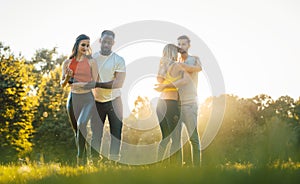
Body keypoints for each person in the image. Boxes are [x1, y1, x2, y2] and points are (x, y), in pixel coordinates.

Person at [157, 35, 202, 167]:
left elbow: (192, 73)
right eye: (179, 44)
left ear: (189, 45)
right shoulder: (174, 64)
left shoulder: (193, 60)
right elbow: (161, 78)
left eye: (184, 44)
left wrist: (165, 86)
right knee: (175, 139)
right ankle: (175, 169)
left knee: (193, 138)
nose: (181, 47)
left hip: (189, 104)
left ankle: (197, 169)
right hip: (175, 104)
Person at [85, 30, 126, 163]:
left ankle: (113, 162)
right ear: (100, 41)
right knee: (96, 134)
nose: (107, 44)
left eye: (110, 42)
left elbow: (118, 83)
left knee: (116, 133)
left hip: (115, 101)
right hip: (97, 101)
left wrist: (96, 84)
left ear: (113, 43)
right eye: (105, 41)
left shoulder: (118, 60)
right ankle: (96, 162)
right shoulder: (92, 59)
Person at [60, 34, 98, 166]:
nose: (85, 47)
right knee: (77, 131)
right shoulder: (67, 63)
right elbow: (62, 84)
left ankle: (80, 160)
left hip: (87, 98)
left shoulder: (92, 62)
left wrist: (83, 84)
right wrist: (67, 77)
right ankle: (84, 160)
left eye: (88, 45)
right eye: (83, 44)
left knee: (82, 125)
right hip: (73, 99)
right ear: (77, 45)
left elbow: (95, 82)